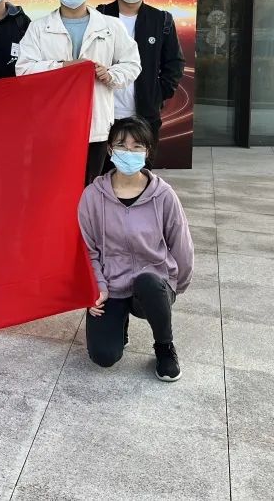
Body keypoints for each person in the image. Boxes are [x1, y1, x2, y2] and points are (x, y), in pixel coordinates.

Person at [81, 116, 194, 381]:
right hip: (112, 283)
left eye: (136, 146)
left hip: (153, 284)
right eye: (121, 145)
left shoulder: (163, 195)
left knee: (148, 283)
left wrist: (175, 286)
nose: (128, 152)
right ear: (110, 149)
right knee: (103, 356)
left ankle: (164, 346)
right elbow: (88, 249)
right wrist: (95, 287)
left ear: (147, 151)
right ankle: (119, 324)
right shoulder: (93, 196)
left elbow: (181, 243)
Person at [15, 0, 140, 184]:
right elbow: (23, 71)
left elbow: (132, 64)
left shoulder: (110, 26)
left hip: (96, 125)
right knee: (51, 185)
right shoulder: (39, 28)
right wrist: (63, 67)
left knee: (90, 186)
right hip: (52, 126)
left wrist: (110, 74)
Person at [96, 0, 185, 147]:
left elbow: (174, 63)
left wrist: (157, 94)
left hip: (145, 116)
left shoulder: (161, 20)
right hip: (103, 115)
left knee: (139, 163)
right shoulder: (99, 16)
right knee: (101, 165)